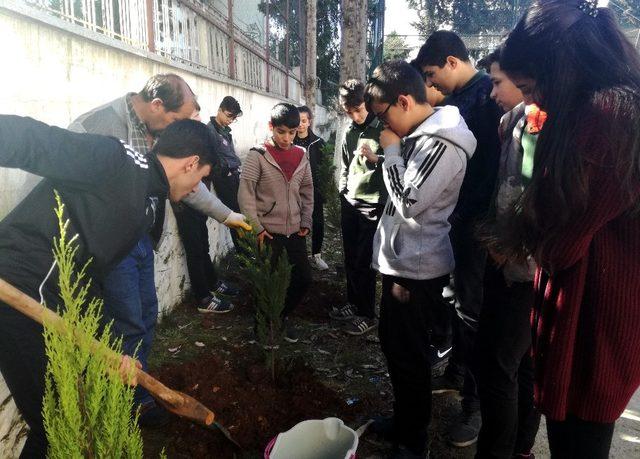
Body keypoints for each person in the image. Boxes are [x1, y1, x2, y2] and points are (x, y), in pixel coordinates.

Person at [0, 116, 216, 458]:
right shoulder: (116, 160)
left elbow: (95, 278)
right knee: (60, 426)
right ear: (191, 163)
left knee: (69, 423)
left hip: (53, 302)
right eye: (201, 179)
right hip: (18, 293)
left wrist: (110, 349)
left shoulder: (147, 201)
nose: (195, 190)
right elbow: (33, 140)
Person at [498, 1, 640, 457]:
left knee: (579, 444)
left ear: (561, 69)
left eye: (529, 87)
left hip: (594, 326)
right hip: (603, 320)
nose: (528, 100)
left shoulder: (607, 119)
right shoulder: (614, 104)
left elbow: (561, 243)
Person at [68, 74, 246, 424]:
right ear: (157, 106)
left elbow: (185, 182)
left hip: (140, 239)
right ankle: (129, 402)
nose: (180, 130)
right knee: (127, 323)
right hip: (109, 246)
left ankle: (139, 384)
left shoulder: (161, 133)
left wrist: (226, 216)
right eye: (179, 120)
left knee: (147, 314)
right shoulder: (96, 126)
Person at [365, 60, 476, 459]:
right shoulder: (423, 136)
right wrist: (390, 155)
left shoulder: (443, 141)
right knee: (396, 348)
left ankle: (414, 442)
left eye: (385, 117)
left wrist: (391, 151)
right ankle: (404, 422)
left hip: (418, 268)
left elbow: (410, 200)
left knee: (409, 356)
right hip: (401, 262)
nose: (385, 128)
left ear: (404, 101)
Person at [415, 30, 503, 447]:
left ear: (452, 61)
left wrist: (469, 219)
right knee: (454, 300)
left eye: (433, 75)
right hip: (457, 224)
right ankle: (454, 374)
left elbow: (487, 172)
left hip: (477, 227)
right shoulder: (459, 100)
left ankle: (475, 407)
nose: (432, 85)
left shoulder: (487, 98)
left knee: (473, 314)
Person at [474, 48, 540, 459]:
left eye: (499, 82)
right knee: (519, 367)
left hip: (523, 270)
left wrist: (511, 250)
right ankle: (519, 449)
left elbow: (534, 199)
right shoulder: (514, 122)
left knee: (500, 369)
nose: (493, 91)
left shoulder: (539, 124)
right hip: (507, 262)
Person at [238, 103, 314, 344]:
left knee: (303, 278)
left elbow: (307, 190)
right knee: (267, 282)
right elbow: (246, 194)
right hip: (268, 233)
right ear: (271, 127)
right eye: (281, 131)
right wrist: (257, 227)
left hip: (295, 231)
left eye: (292, 133)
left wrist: (305, 220)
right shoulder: (257, 155)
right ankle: (262, 328)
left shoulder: (302, 155)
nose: (286, 138)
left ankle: (280, 317)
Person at [172, 101, 247, 315]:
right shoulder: (178, 143)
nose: (199, 121)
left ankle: (212, 283)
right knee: (195, 249)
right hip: (184, 204)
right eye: (194, 116)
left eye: (198, 115)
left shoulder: (195, 137)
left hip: (199, 198)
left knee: (203, 243)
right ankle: (203, 297)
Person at [329, 79, 387, 336]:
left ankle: (367, 314)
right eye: (349, 112)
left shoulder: (384, 128)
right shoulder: (350, 129)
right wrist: (342, 191)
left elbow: (400, 161)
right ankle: (353, 303)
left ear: (368, 103)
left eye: (358, 109)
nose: (355, 115)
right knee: (351, 257)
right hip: (350, 201)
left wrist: (377, 159)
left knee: (364, 260)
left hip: (373, 203)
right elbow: (344, 163)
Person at [206, 96, 244, 249]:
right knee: (235, 216)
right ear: (219, 110)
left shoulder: (225, 131)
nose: (230, 120)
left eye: (233, 118)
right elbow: (213, 158)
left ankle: (248, 254)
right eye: (229, 116)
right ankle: (244, 257)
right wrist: (225, 170)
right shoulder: (210, 131)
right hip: (224, 179)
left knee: (242, 213)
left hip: (235, 177)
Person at [294, 105, 329, 271]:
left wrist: (325, 191)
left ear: (309, 122)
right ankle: (298, 256)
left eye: (304, 121)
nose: (300, 124)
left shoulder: (318, 143)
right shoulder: (289, 142)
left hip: (314, 190)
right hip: (294, 191)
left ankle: (316, 255)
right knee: (295, 223)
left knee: (318, 222)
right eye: (298, 121)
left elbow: (324, 168)